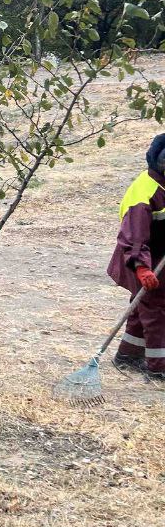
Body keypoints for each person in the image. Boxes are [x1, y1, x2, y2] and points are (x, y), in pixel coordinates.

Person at [108, 132, 165, 381]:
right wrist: (142, 268)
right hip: (138, 259)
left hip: (156, 257)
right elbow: (134, 238)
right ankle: (159, 367)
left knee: (142, 304)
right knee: (157, 309)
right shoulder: (144, 195)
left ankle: (128, 355)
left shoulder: (162, 181)